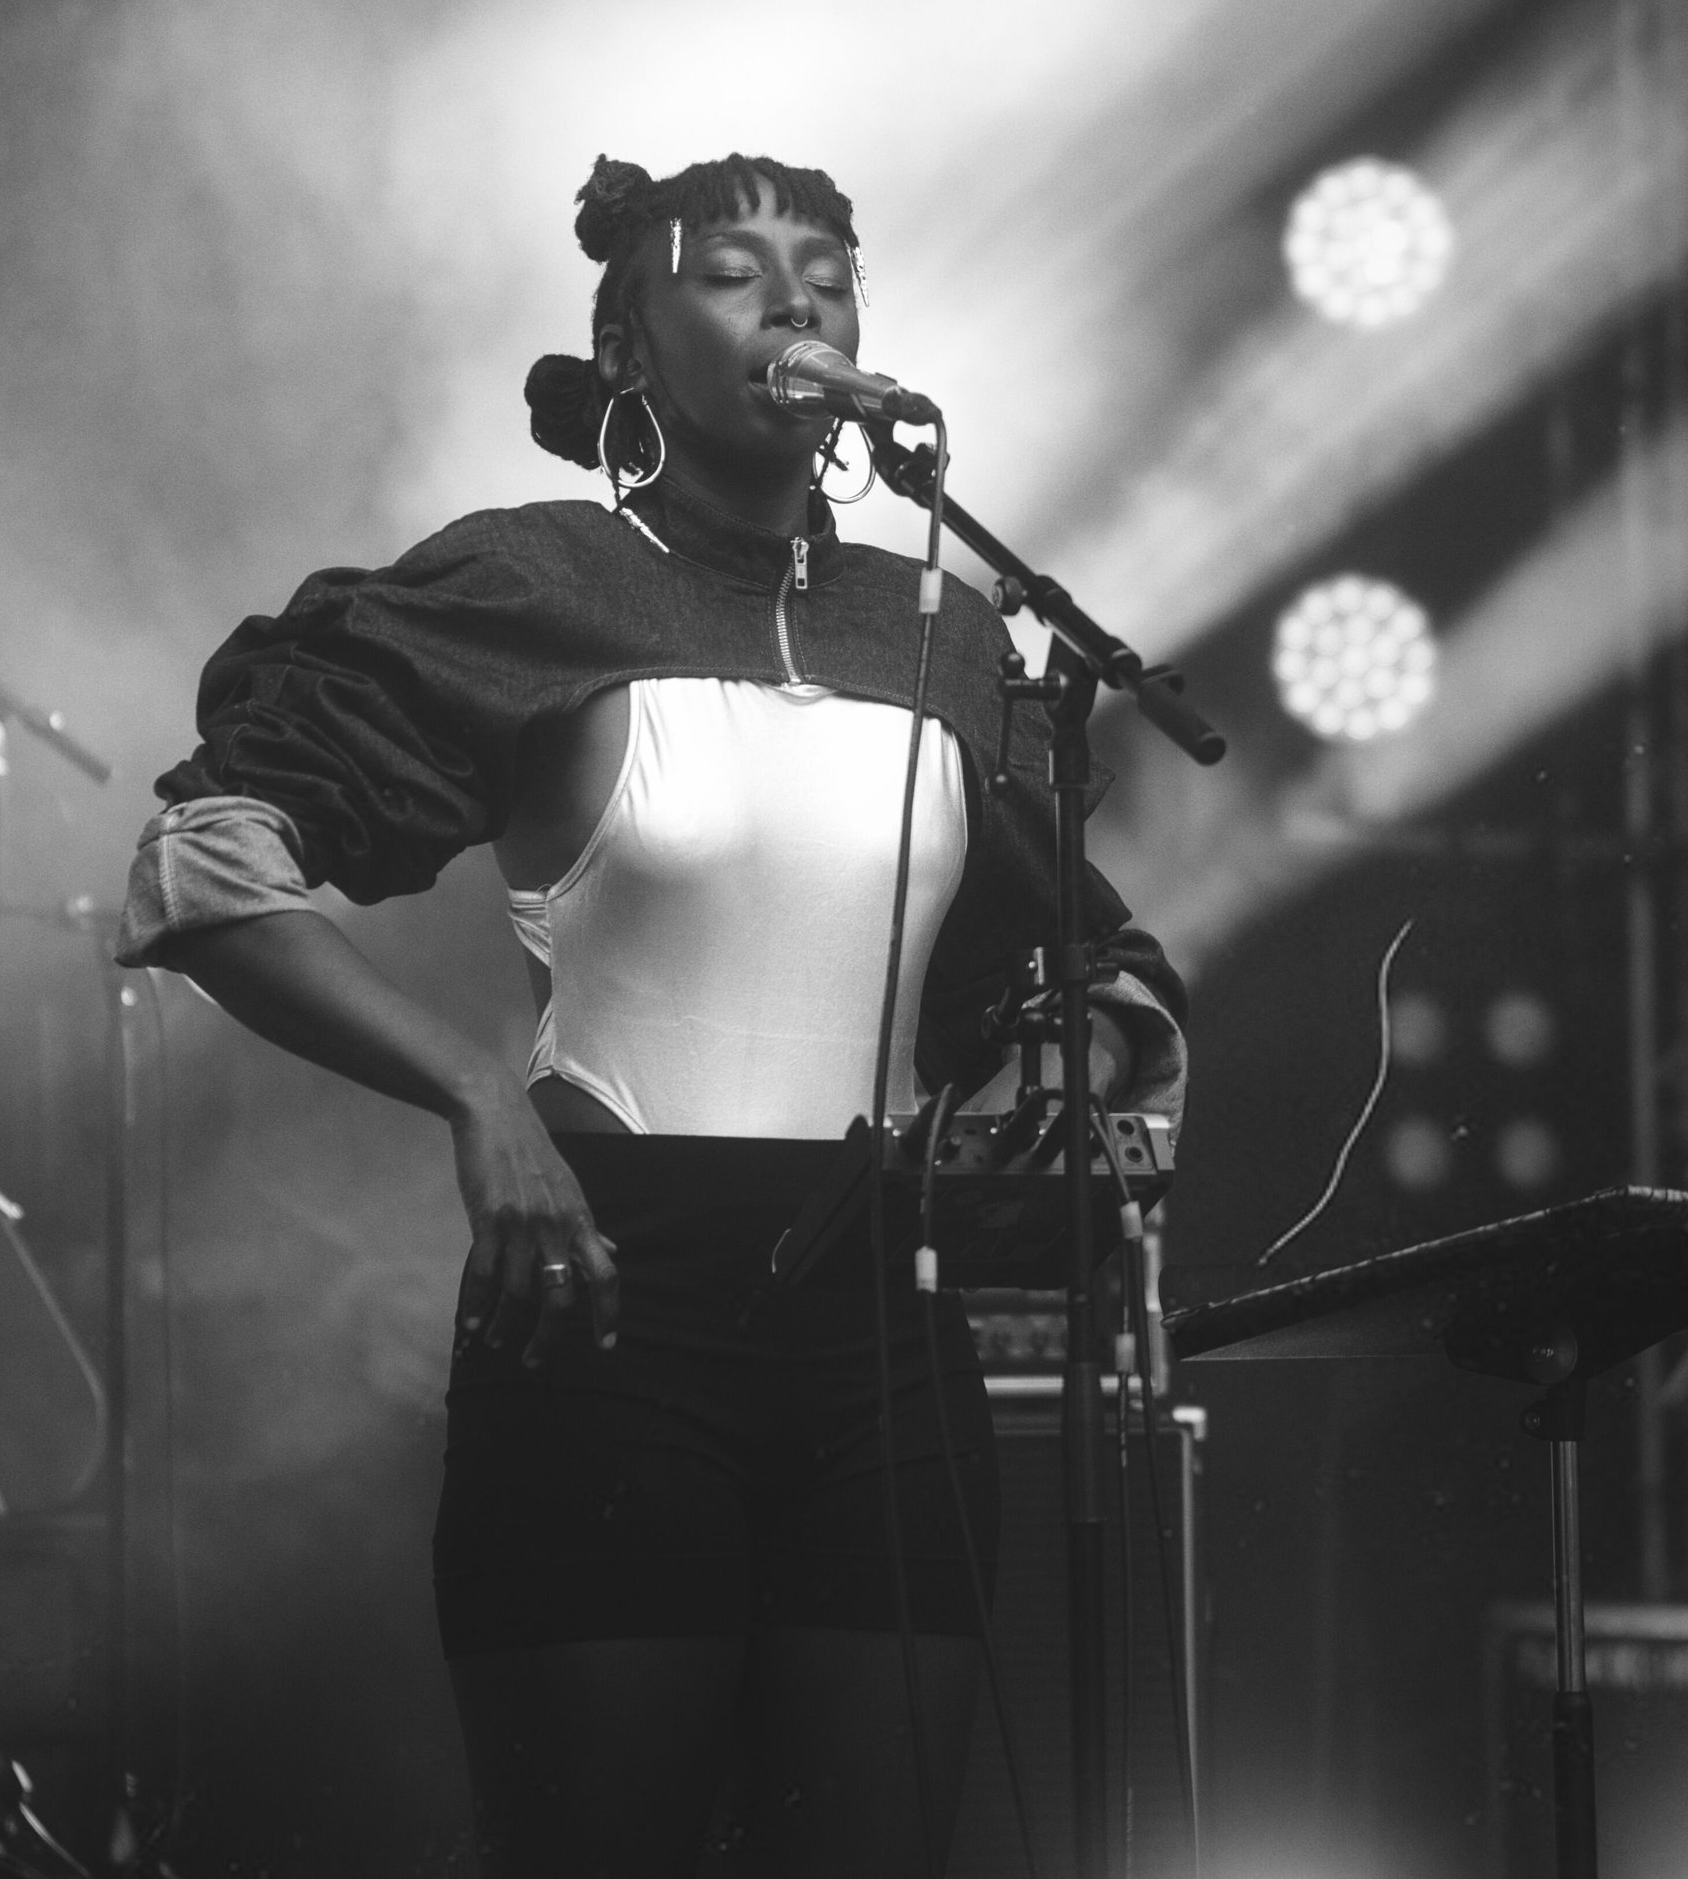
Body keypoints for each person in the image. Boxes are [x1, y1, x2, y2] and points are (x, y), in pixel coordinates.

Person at [118, 151, 1186, 1878]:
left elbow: (1073, 953)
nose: (794, 300)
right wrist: (475, 1093)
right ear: (628, 345)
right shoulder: (530, 581)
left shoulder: (938, 630)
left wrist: (1078, 1052)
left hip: (885, 1327)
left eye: (825, 273)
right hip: (613, 1308)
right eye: (732, 270)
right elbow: (205, 863)